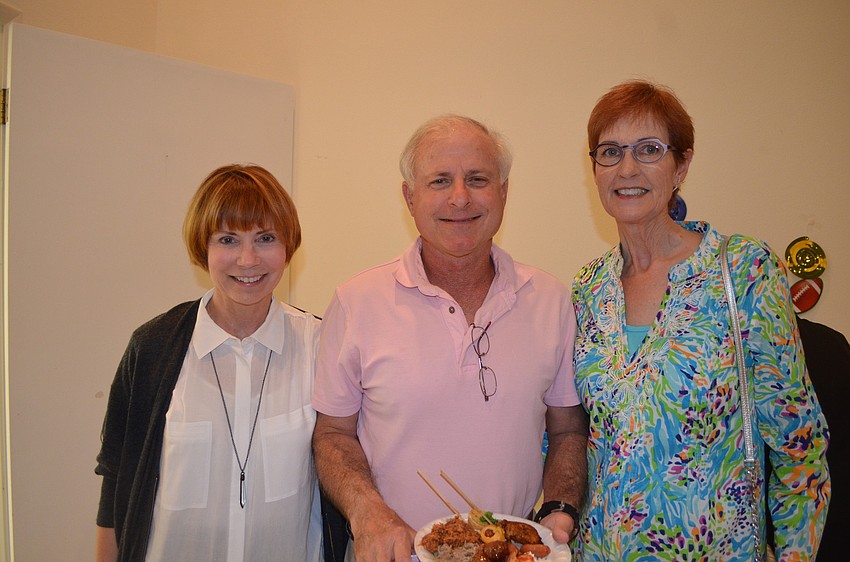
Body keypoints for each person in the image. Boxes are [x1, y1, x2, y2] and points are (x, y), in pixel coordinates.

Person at [572, 80, 830, 561]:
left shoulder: (743, 270)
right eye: (610, 151)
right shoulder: (587, 290)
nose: (627, 168)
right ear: (594, 169)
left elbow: (801, 449)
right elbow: (575, 438)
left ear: (682, 165)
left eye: (649, 149)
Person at [312, 114, 589, 562]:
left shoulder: (551, 300)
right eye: (440, 180)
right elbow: (332, 434)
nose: (460, 197)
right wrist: (369, 513)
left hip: (513, 554)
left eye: (477, 179)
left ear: (503, 192)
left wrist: (558, 511)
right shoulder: (355, 302)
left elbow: (567, 428)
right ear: (410, 197)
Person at [94, 164, 322, 562]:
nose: (248, 260)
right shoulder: (151, 349)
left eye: (265, 238)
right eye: (228, 239)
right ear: (204, 248)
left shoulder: (322, 345)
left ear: (288, 247)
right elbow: (115, 480)